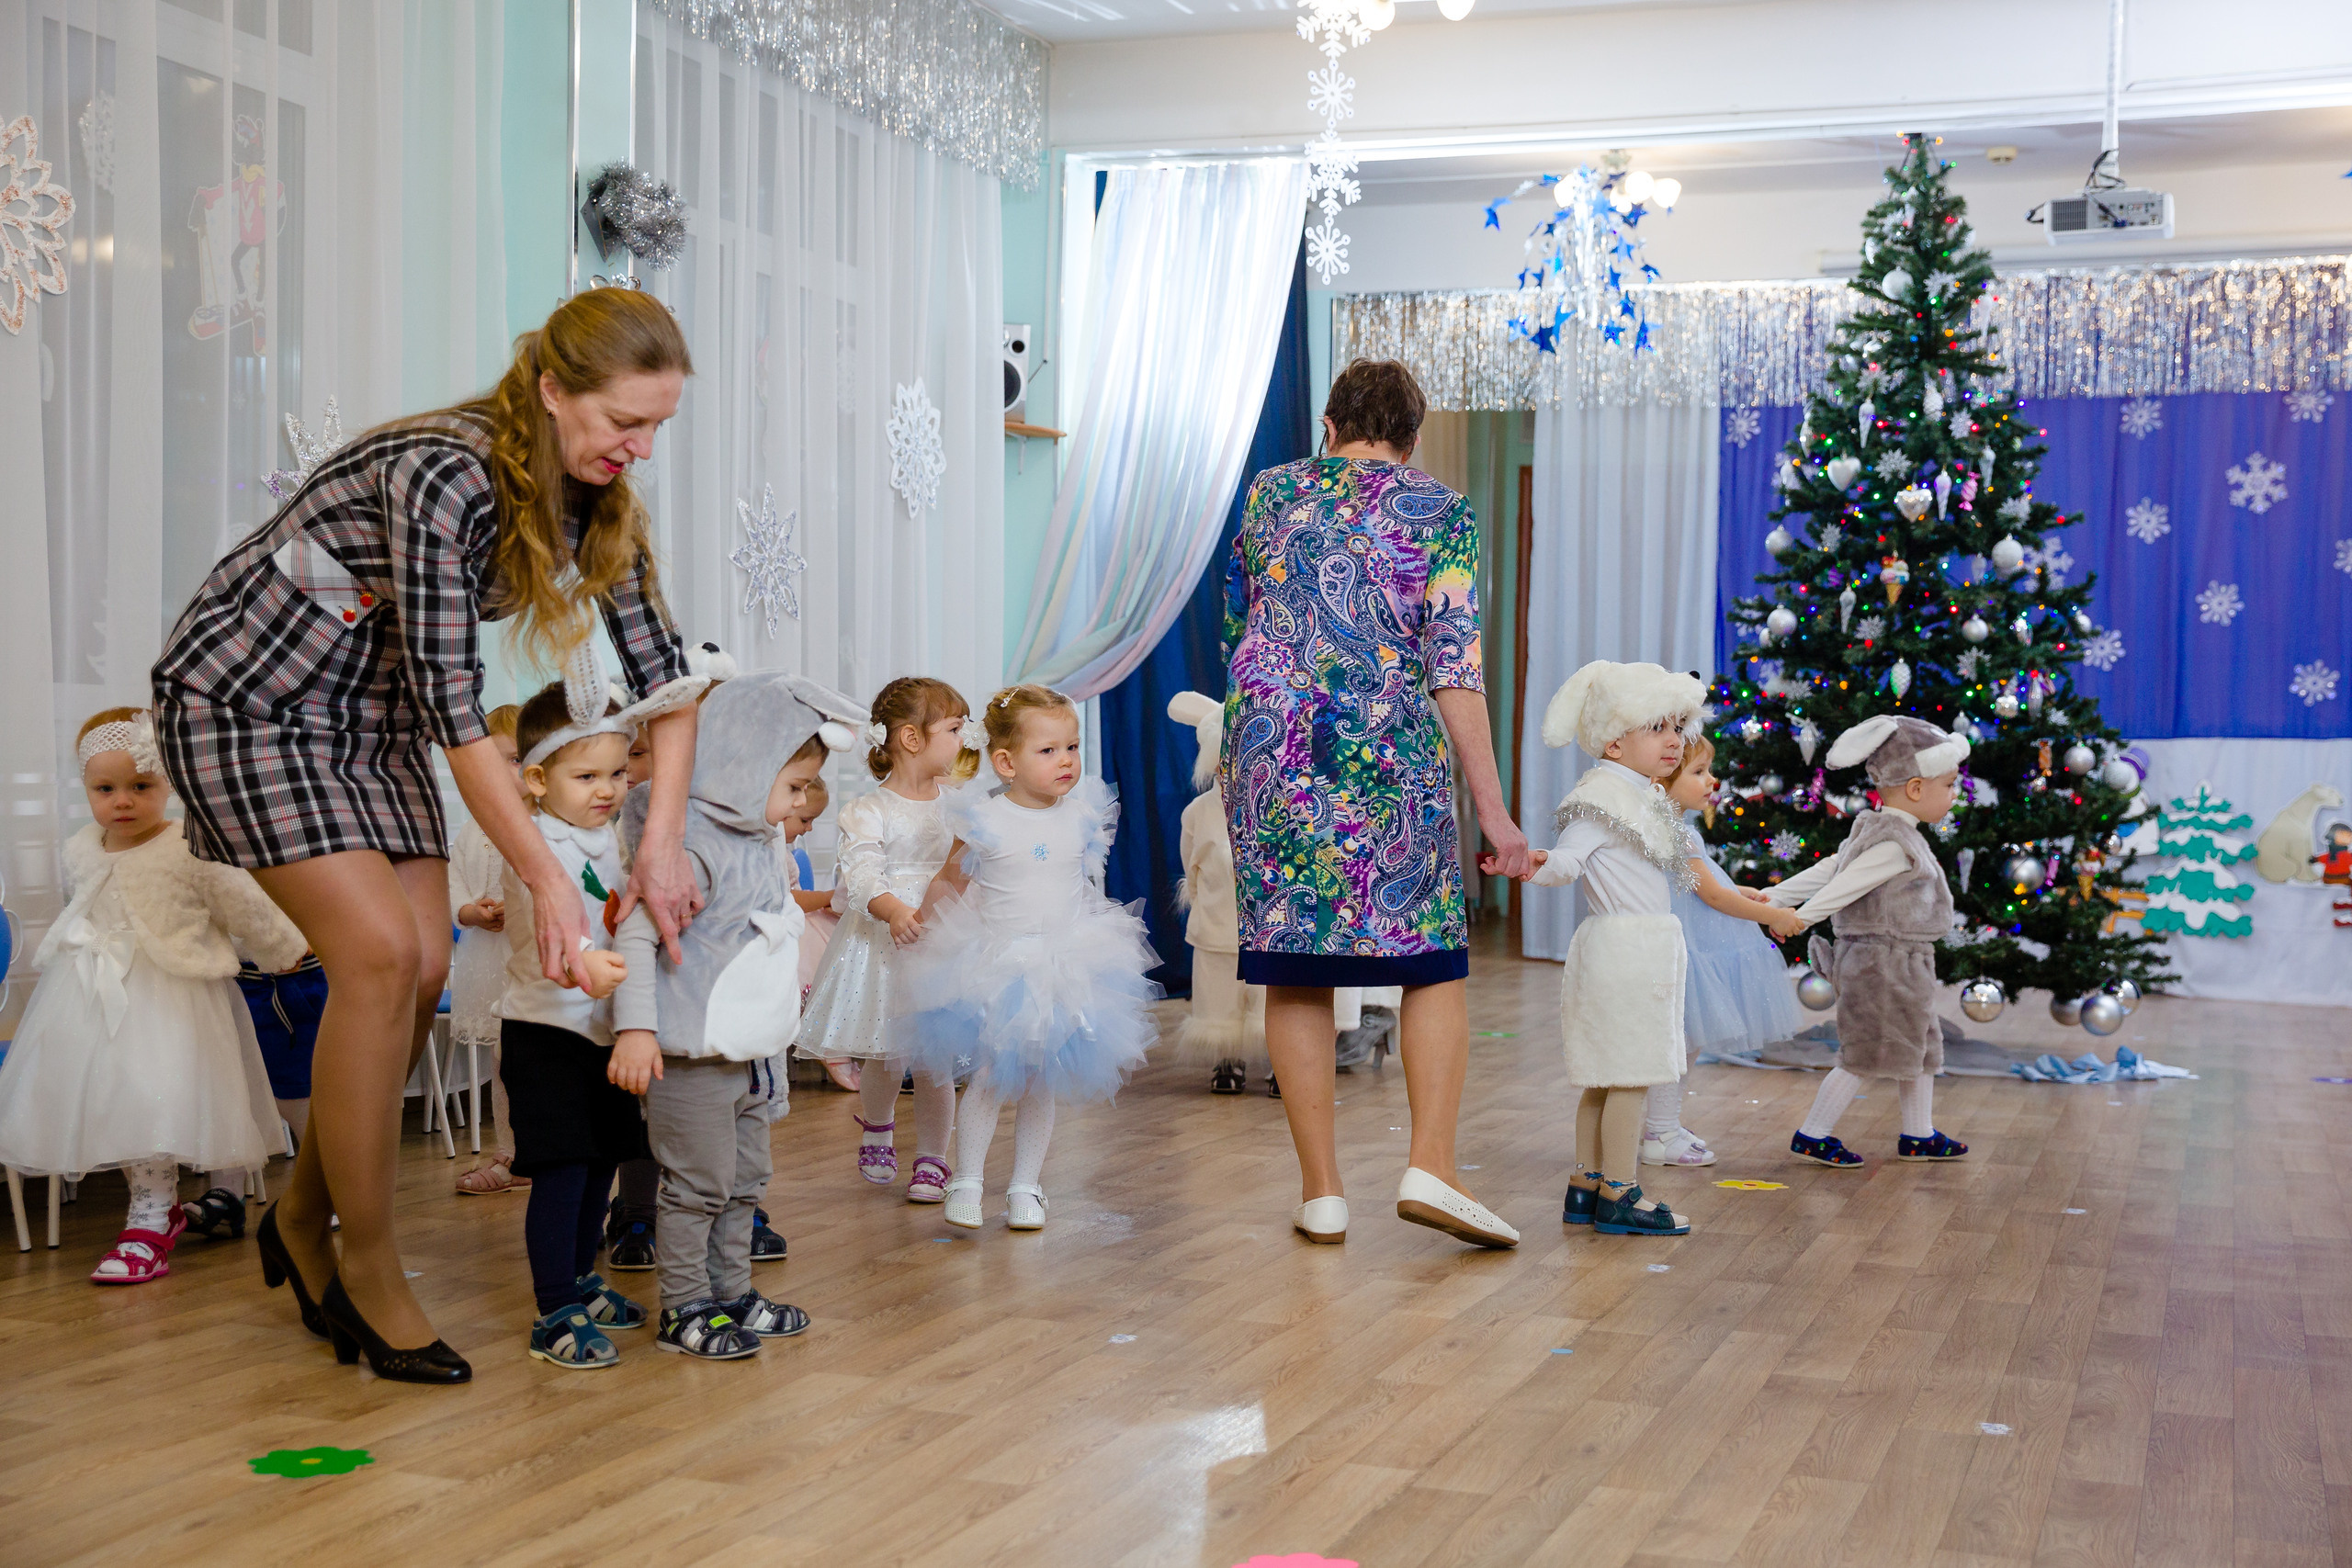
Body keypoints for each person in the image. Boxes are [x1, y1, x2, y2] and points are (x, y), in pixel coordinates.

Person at [153, 287, 701, 1381]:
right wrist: (544, 877)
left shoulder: (599, 498)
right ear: (551, 391)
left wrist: (660, 840)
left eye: (656, 428)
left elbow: (669, 682)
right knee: (378, 958)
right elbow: (461, 706)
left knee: (425, 964)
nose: (637, 449)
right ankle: (372, 1271)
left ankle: (300, 1222)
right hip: (248, 702)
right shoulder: (444, 470)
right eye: (620, 423)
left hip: (370, 713)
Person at [1220, 358, 1535, 1250]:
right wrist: (1495, 812)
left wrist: (1232, 758)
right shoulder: (1437, 509)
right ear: (1411, 436)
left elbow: (1235, 629)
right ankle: (1429, 1162)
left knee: (1294, 965)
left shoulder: (1269, 495)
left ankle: (1322, 1193)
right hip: (1383, 748)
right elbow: (1454, 665)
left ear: (1328, 425)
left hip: (1271, 752)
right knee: (1429, 960)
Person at [0, 709, 307, 1283]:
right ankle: (159, 1202)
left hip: (175, 995)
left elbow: (243, 903)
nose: (122, 801)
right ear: (86, 790)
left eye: (140, 786)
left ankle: (153, 1215)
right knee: (116, 1100)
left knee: (159, 1093)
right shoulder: (83, 847)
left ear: (169, 784)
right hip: (93, 991)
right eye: (105, 788)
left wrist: (282, 948)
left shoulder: (190, 844)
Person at [611, 673, 854, 1359]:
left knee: (745, 1181)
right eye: (797, 783)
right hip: (690, 1055)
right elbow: (636, 932)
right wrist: (636, 1027)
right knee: (695, 1187)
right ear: (744, 765)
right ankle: (684, 1305)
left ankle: (731, 1292)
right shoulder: (690, 849)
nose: (803, 800)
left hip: (745, 1056)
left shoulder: (755, 839)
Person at [902, 686, 1158, 1232]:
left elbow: (1081, 883)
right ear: (1005, 762)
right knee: (993, 1075)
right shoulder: (985, 818)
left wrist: (1093, 941)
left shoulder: (1083, 815)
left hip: (1063, 963)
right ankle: (967, 1179)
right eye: (1048, 751)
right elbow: (951, 877)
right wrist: (924, 920)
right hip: (999, 963)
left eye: (1071, 746)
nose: (1065, 760)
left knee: (1041, 1079)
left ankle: (1026, 1186)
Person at [1532, 662, 1753, 1238]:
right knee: (1630, 1074)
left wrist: (1741, 893)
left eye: (1678, 727)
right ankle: (1620, 1193)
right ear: (1614, 739)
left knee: (1604, 1077)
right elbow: (1569, 859)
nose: (1676, 741)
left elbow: (1687, 873)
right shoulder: (1603, 798)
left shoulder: (1640, 796)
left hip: (1636, 949)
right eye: (1658, 728)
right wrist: (1536, 864)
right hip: (1626, 952)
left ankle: (1586, 1185)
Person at [497, 682, 653, 1369]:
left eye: (618, 772)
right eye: (586, 775)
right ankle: (553, 1303)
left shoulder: (612, 837)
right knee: (561, 1168)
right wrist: (588, 961)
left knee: (602, 1161)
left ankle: (585, 1282)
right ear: (537, 779)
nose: (607, 788)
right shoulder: (533, 843)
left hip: (603, 1030)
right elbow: (554, 933)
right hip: (547, 1030)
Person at [797, 677, 977, 1201]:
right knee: (884, 1053)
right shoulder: (867, 810)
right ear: (911, 739)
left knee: (935, 1057)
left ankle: (933, 1159)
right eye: (953, 729)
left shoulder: (958, 807)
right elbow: (862, 875)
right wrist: (894, 909)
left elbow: (968, 866)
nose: (963, 741)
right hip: (883, 940)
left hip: (941, 939)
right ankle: (877, 1126)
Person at [1767, 716, 1971, 1169]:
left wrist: (1776, 896)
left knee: (1917, 1046)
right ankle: (1813, 1134)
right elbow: (1847, 881)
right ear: (1916, 789)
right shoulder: (1894, 843)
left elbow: (1832, 867)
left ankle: (1919, 1135)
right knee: (1868, 1050)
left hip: (1902, 960)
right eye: (1950, 784)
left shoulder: (1882, 831)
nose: (1955, 794)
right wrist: (1796, 917)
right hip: (1884, 961)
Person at [1651, 733, 1807, 1166]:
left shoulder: (1672, 829)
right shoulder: (1677, 834)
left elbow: (1706, 884)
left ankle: (1661, 1123)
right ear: (1664, 778)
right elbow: (1713, 898)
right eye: (1699, 772)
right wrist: (1772, 917)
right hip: (1690, 948)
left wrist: (1741, 889)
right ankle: (1659, 1132)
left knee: (1685, 1039)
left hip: (1691, 944)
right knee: (1682, 1041)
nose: (1712, 781)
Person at [451, 703, 526, 1195]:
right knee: (501, 1062)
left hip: (529, 961)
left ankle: (540, 1149)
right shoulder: (473, 826)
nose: (507, 771)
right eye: (497, 760)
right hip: (488, 960)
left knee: (529, 1058)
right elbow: (452, 885)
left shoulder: (545, 823)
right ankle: (510, 1152)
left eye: (516, 759)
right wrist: (472, 913)